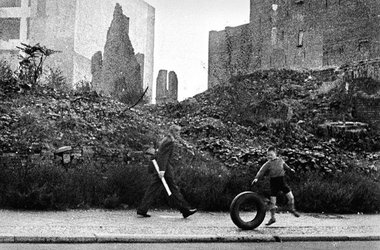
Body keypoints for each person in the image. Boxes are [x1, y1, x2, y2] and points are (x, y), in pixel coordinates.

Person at [137, 124, 197, 218]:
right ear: (173, 131)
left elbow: (160, 154)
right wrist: (162, 170)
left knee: (152, 189)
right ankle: (185, 210)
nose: (178, 134)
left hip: (162, 168)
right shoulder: (169, 141)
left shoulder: (166, 139)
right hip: (165, 169)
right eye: (177, 132)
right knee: (173, 189)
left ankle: (142, 209)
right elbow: (163, 156)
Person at [251, 146, 300, 226]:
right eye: (268, 155)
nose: (269, 157)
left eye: (271, 155)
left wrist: (290, 169)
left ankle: (291, 209)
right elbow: (261, 171)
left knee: (291, 197)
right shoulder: (268, 164)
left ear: (275, 154)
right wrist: (256, 178)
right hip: (273, 183)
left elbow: (285, 166)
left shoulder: (280, 160)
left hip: (282, 182)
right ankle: (272, 218)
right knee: (273, 203)